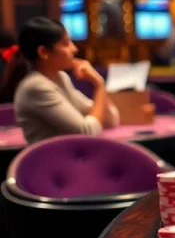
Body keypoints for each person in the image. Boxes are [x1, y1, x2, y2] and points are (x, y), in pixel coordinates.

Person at [1, 16, 118, 144]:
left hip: (68, 154)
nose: (74, 49)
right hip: (49, 157)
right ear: (43, 52)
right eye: (66, 44)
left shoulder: (60, 77)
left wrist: (98, 84)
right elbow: (87, 132)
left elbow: (110, 120)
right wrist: (99, 84)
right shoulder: (35, 86)